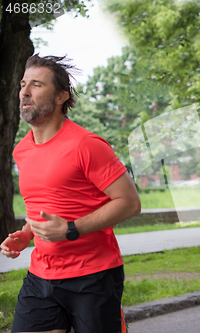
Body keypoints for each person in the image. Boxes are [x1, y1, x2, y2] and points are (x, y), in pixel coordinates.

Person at [0, 54, 141, 333]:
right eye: (23, 84)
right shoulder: (22, 150)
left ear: (61, 96)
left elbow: (130, 203)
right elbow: (48, 206)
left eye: (37, 85)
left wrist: (71, 229)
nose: (25, 92)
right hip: (41, 276)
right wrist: (27, 233)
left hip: (93, 276)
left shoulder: (86, 145)